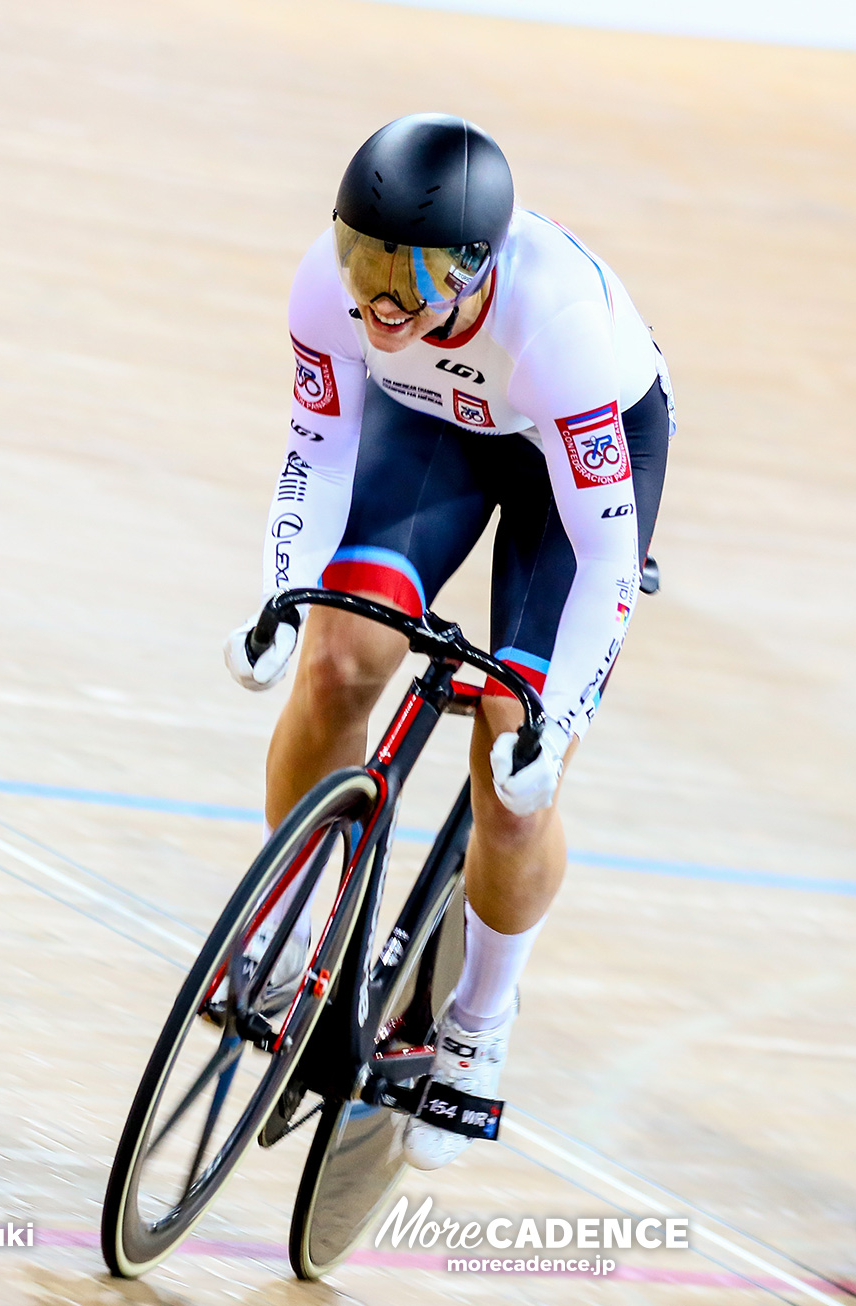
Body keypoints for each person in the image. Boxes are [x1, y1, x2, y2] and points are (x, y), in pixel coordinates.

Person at [223, 113, 671, 1171]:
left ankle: (479, 1017)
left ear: (474, 269)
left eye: (407, 275)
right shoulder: (326, 290)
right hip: (436, 427)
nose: (377, 298)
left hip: (574, 454)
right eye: (361, 258)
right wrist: (281, 596)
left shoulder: (556, 327)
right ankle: (293, 916)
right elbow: (315, 456)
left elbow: (607, 565)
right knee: (338, 656)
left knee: (514, 771)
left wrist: (552, 725)